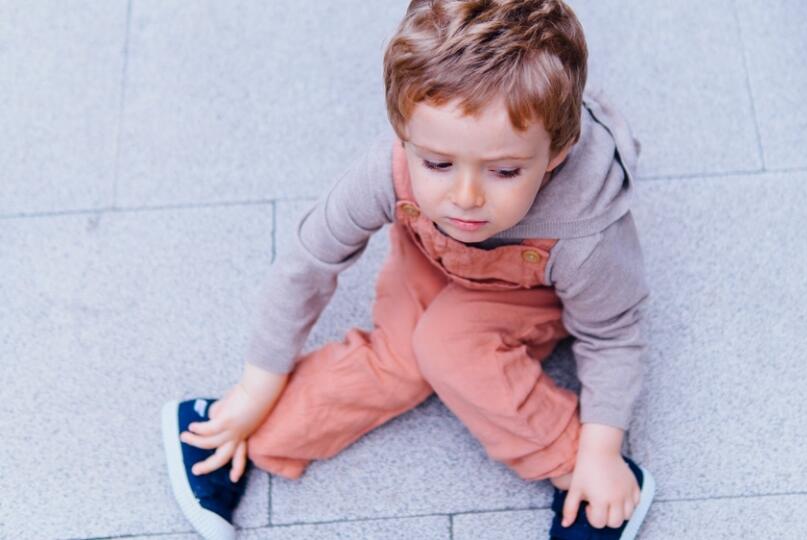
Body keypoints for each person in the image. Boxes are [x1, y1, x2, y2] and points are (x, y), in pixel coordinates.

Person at [161, 1, 655, 538]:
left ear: (555, 154)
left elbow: (611, 334)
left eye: (505, 171)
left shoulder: (586, 231)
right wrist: (256, 388)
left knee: (447, 345)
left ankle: (581, 472)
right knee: (402, 358)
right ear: (403, 134)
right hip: (426, 266)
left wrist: (602, 448)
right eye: (437, 164)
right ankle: (224, 431)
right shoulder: (387, 168)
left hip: (522, 297)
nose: (465, 198)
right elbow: (309, 260)